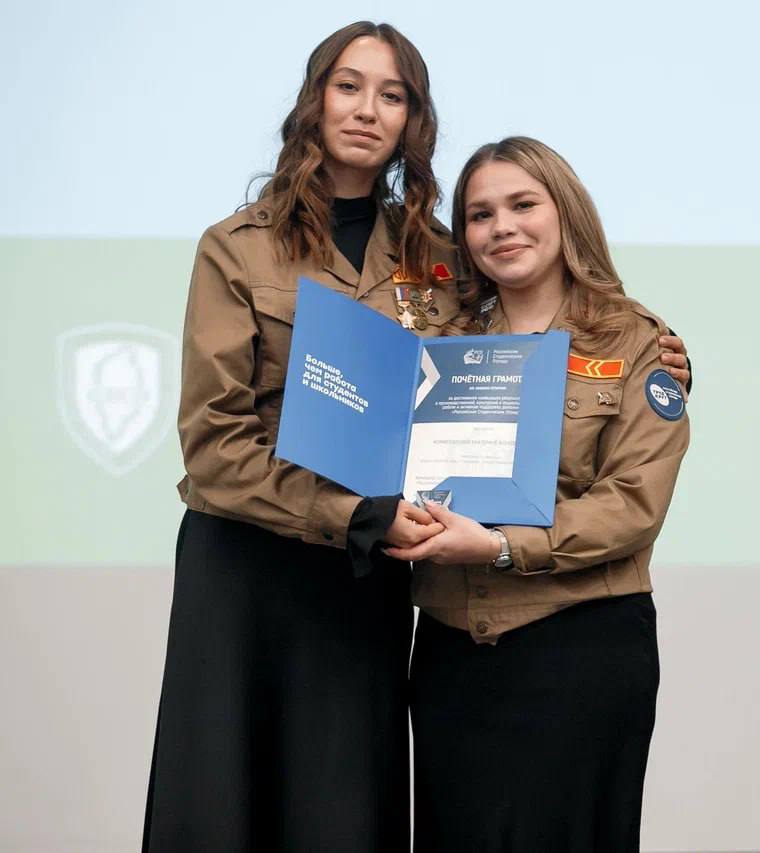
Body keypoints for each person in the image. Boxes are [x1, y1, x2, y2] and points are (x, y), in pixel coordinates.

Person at [143, 21, 693, 853]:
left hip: (371, 578)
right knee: (225, 809)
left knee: (347, 817)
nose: (368, 109)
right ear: (314, 100)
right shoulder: (237, 248)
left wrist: (665, 366)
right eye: (348, 86)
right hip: (254, 569)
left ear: (414, 120)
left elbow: (536, 337)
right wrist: (356, 513)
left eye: (392, 95)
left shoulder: (442, 252)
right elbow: (214, 446)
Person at [388, 137, 691, 852]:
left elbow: (633, 505)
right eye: (480, 214)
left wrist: (498, 545)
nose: (503, 227)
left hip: (579, 647)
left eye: (523, 205)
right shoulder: (436, 344)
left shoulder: (639, 340)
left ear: (565, 213)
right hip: (452, 654)